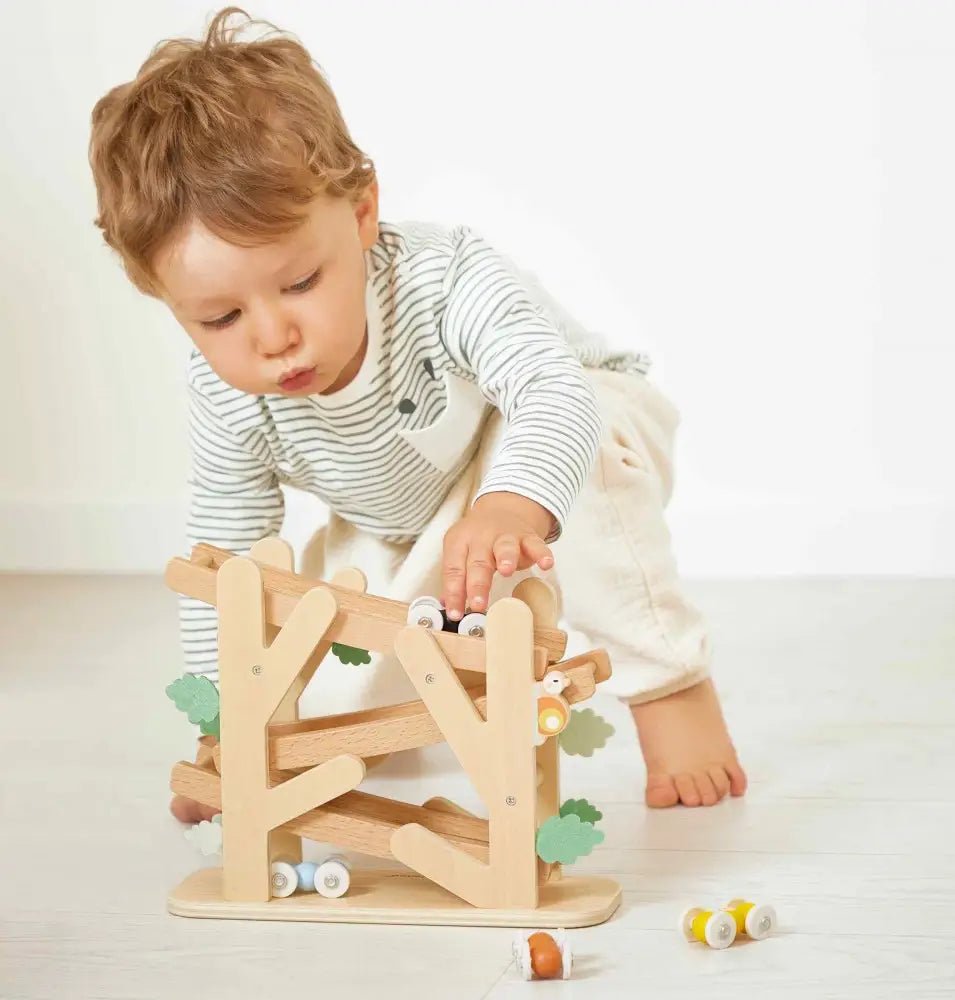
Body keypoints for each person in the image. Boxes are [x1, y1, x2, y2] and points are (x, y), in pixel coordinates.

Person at [88, 8, 746, 819]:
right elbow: (227, 559)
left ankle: (671, 689)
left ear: (363, 213)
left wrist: (512, 501)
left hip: (576, 425)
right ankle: (279, 747)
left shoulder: (444, 278)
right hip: (413, 512)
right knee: (329, 672)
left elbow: (549, 390)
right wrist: (228, 722)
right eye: (219, 320)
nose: (273, 337)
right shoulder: (225, 393)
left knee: (580, 460)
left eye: (299, 283)